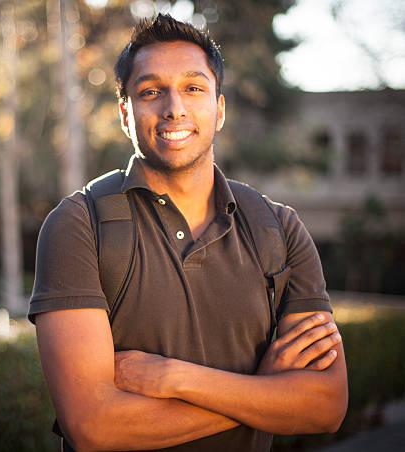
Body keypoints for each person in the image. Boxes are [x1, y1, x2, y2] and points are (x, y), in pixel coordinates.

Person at [29, 13, 348, 452]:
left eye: (193, 88)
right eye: (150, 91)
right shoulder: (78, 225)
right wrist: (262, 389)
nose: (173, 107)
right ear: (126, 114)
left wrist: (176, 378)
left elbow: (326, 405)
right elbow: (93, 427)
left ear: (218, 109)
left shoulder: (279, 228)